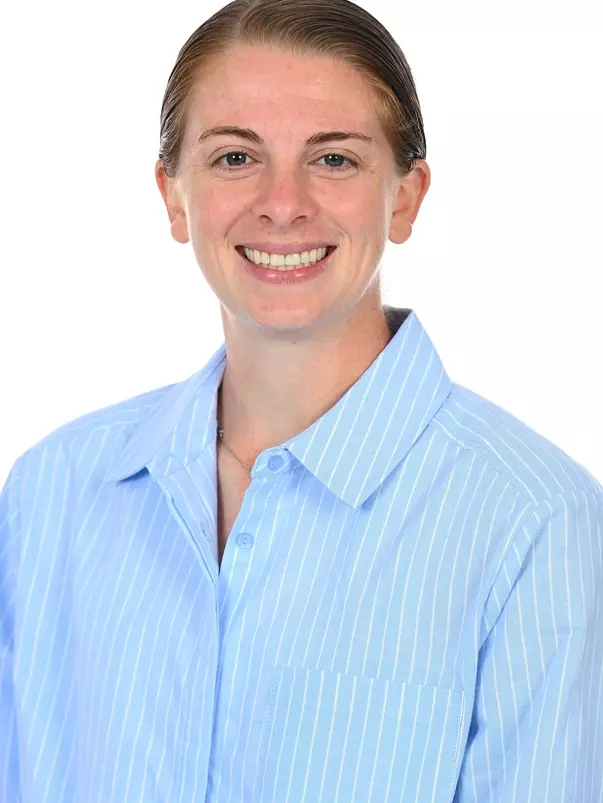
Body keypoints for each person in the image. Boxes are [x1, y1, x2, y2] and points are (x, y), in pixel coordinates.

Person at [1, 0, 602, 800]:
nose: (282, 204)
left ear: (405, 196)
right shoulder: (51, 494)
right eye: (234, 158)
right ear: (174, 196)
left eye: (333, 160)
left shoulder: (532, 521)